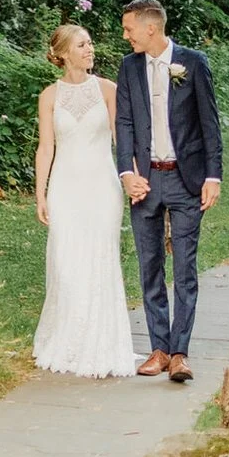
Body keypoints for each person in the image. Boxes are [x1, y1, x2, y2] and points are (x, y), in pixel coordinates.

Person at [114, 0, 223, 383]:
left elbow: (210, 124)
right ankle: (158, 349)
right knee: (149, 266)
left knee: (185, 268)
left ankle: (180, 352)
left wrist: (214, 176)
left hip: (186, 178)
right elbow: (124, 122)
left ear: (151, 28)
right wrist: (126, 172)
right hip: (146, 180)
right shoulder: (128, 67)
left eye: (129, 29)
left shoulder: (192, 63)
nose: (125, 35)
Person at [30, 23, 139, 377]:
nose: (89, 50)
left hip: (101, 187)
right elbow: (46, 147)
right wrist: (40, 193)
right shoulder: (49, 96)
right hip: (64, 187)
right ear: (62, 53)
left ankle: (100, 343)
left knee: (98, 257)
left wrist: (133, 177)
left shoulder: (108, 89)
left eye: (91, 44)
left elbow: (123, 140)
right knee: (65, 258)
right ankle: (68, 338)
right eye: (81, 45)